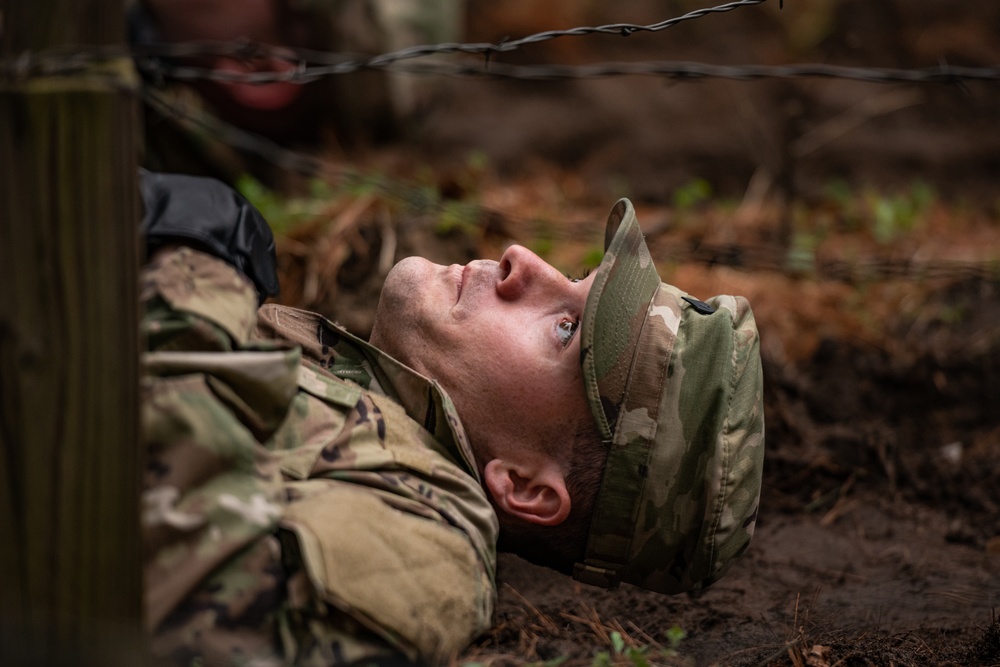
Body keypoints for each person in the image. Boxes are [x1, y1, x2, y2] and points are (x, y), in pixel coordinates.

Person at [139, 170, 764, 666]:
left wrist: (188, 280)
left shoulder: (425, 544)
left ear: (522, 483)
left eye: (566, 329)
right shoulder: (352, 402)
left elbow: (181, 618)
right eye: (575, 278)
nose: (523, 259)